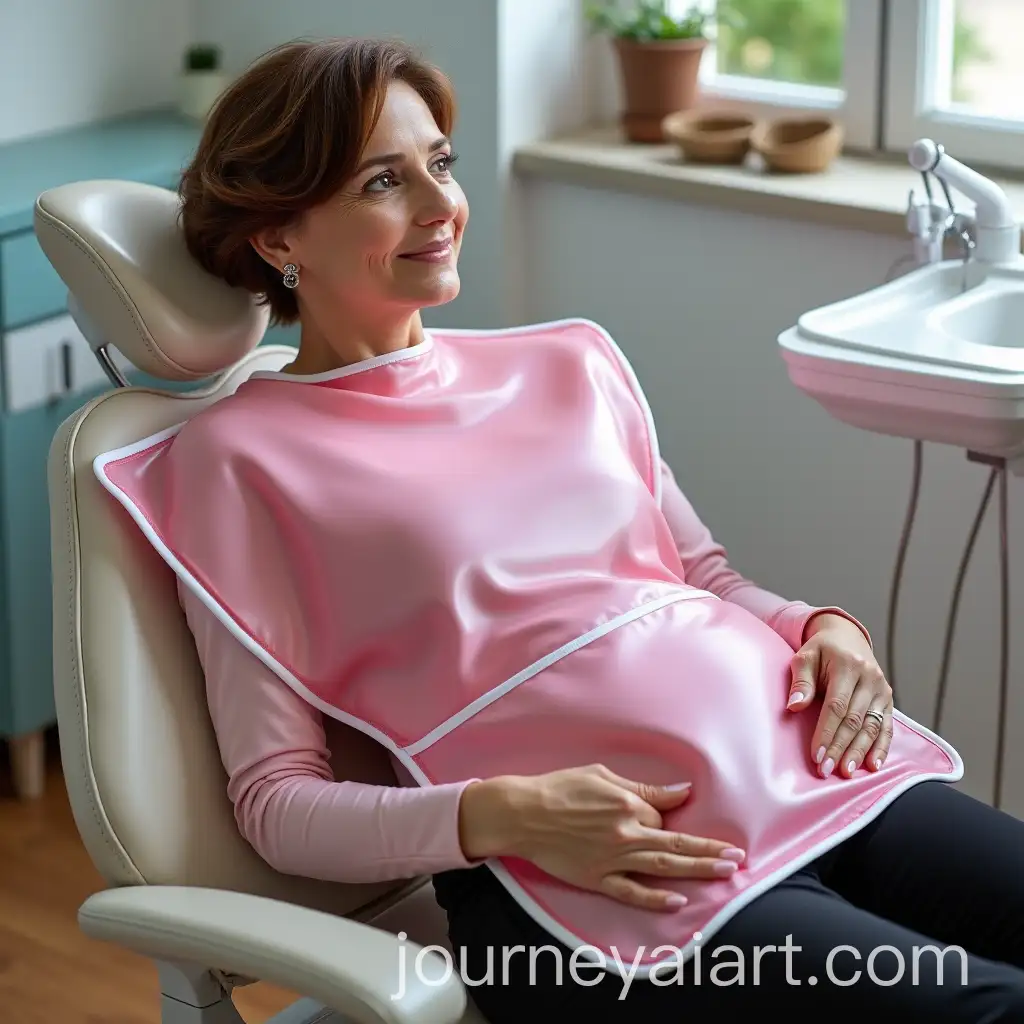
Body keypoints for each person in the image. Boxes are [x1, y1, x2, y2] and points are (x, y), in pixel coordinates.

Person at [123, 37, 1024, 1022]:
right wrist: (499, 813)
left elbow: (703, 579)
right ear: (278, 240)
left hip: (805, 770)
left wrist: (820, 627)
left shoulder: (566, 363)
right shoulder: (238, 460)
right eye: (384, 180)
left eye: (440, 163)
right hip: (595, 880)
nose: (440, 204)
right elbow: (277, 802)